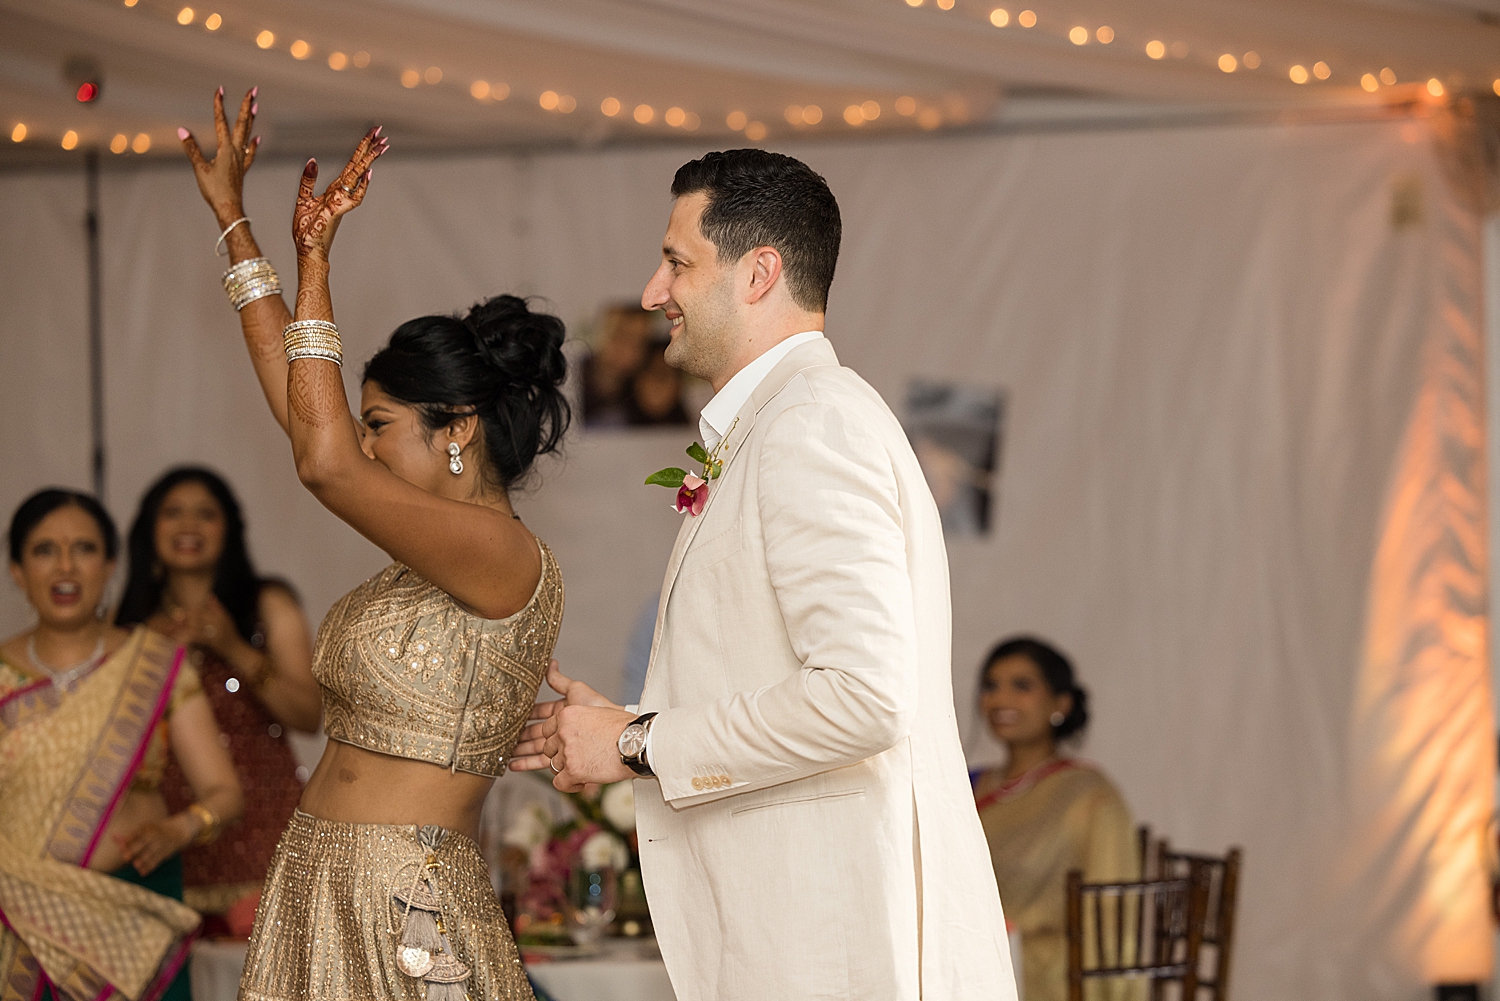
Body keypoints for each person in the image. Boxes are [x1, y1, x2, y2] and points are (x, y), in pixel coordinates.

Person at [514, 149, 1015, 1000]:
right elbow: (789, 680)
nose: (651, 292)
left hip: (835, 951)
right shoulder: (787, 423)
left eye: (677, 262)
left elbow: (865, 695)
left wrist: (637, 744)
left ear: (759, 273)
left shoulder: (812, 428)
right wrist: (632, 723)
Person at [179, 88, 566, 1001]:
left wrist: (317, 261)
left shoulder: (509, 560)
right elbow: (303, 419)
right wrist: (237, 224)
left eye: (382, 423)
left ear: (456, 429)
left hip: (409, 910)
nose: (364, 442)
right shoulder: (418, 554)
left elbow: (321, 461)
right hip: (314, 886)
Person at [0, 489, 244, 1001]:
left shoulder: (154, 666)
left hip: (135, 916)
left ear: (110, 564)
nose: (65, 566)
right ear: (18, 571)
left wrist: (182, 827)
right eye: (45, 550)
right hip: (17, 920)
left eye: (84, 549)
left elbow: (224, 792)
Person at [115, 466, 320, 922]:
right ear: (150, 529)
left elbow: (310, 715)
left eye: (205, 514)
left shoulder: (266, 605)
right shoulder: (127, 629)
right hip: (166, 835)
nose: (188, 526)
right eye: (173, 513)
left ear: (228, 528)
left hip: (264, 832)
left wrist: (232, 647)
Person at [971, 636, 1138, 1001]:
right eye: (991, 686)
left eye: (1022, 686)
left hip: (1045, 974)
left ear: (1060, 703)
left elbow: (1111, 915)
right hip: (963, 956)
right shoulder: (966, 786)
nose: (1001, 699)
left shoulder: (1089, 798)